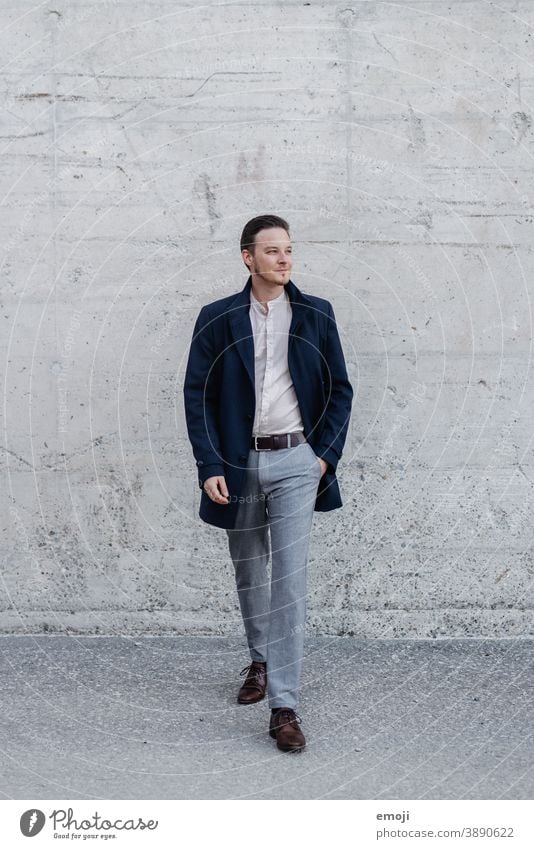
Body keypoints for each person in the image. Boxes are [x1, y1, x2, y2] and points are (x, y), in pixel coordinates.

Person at [183, 214, 353, 752]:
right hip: (239, 465)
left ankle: (284, 704)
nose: (284, 259)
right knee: (251, 571)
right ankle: (260, 658)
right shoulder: (218, 317)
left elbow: (340, 389)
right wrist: (209, 465)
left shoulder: (316, 314)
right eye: (272, 250)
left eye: (288, 250)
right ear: (247, 257)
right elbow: (197, 395)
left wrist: (322, 457)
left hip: (297, 462)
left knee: (290, 582)